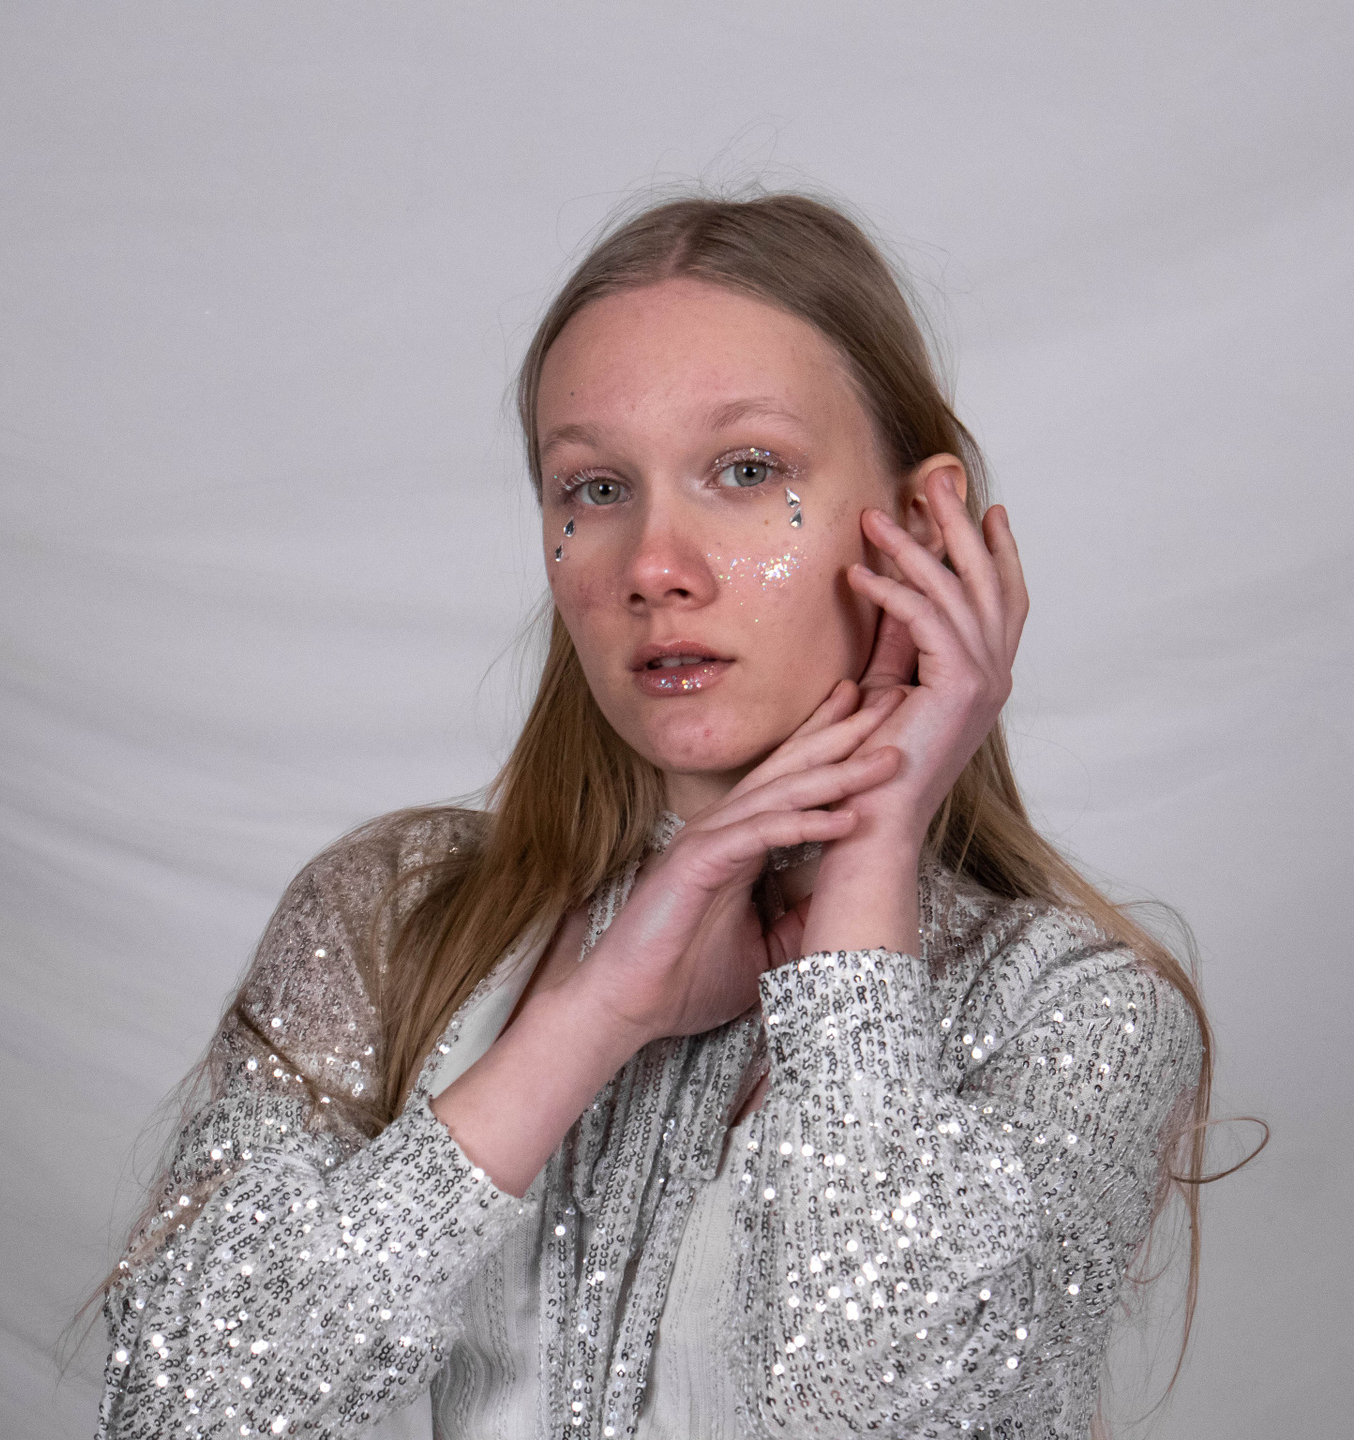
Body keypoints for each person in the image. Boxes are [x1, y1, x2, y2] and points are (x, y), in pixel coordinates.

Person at [96, 192, 1215, 1440]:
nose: (653, 566)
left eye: (748, 471)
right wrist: (590, 1019)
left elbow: (877, 1403)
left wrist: (867, 867)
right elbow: (174, 1412)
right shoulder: (396, 917)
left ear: (921, 525)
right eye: (595, 487)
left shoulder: (1076, 1008)